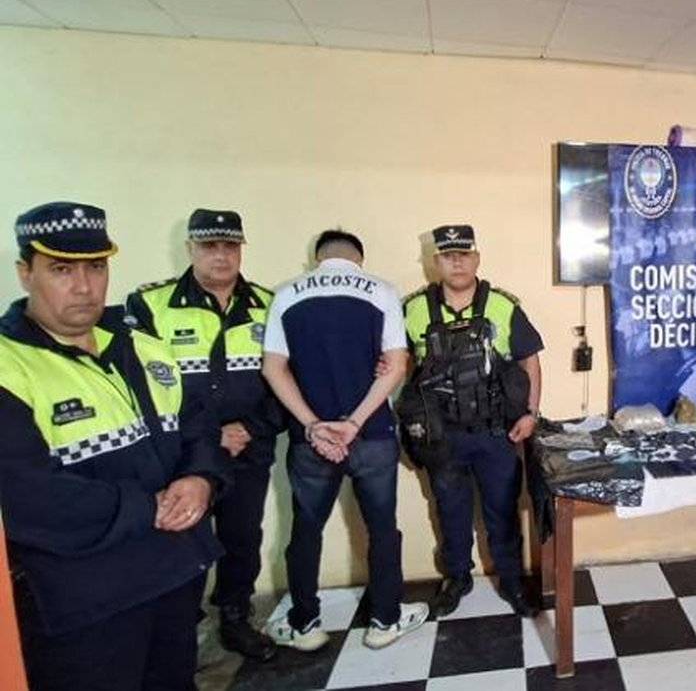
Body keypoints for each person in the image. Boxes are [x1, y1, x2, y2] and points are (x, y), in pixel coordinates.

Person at [0, 202, 230, 691]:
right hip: (85, 602)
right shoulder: (9, 366)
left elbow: (198, 429)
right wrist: (148, 507)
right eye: (62, 270)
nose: (84, 287)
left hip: (174, 574)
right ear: (25, 273)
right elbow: (26, 495)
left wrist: (200, 479)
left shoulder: (142, 346)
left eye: (96, 267)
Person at [125, 208, 281, 661]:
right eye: (209, 245)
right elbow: (142, 386)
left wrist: (250, 428)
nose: (221, 255)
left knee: (242, 536)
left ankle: (235, 618)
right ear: (190, 248)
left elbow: (287, 382)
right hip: (182, 455)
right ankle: (182, 627)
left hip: (248, 448)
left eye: (230, 245)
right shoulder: (150, 305)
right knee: (182, 538)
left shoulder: (270, 305)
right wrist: (210, 436)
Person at [260, 229, 428, 652]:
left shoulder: (286, 294)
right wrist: (352, 424)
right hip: (371, 434)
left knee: (305, 530)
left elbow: (273, 368)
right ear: (359, 260)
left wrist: (314, 425)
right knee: (382, 528)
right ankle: (385, 620)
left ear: (317, 260)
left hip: (310, 441)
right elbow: (396, 367)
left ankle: (305, 624)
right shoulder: (380, 290)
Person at [401, 225, 543, 618]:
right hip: (441, 437)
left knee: (503, 510)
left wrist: (531, 414)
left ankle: (511, 580)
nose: (457, 262)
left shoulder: (503, 306)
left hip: (496, 433)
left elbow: (529, 361)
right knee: (450, 511)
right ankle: (457, 578)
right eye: (448, 256)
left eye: (464, 254)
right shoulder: (413, 309)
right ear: (436, 262)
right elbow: (399, 363)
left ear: (477, 258)